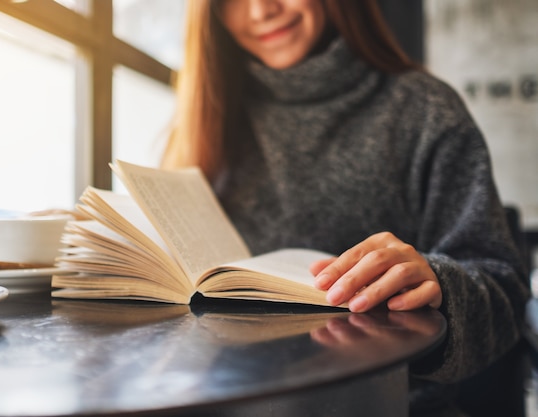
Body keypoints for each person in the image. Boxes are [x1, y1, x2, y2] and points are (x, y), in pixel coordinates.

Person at [161, 1, 530, 416]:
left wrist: (438, 289)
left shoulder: (425, 110)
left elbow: (506, 296)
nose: (262, 11)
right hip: (222, 401)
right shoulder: (203, 117)